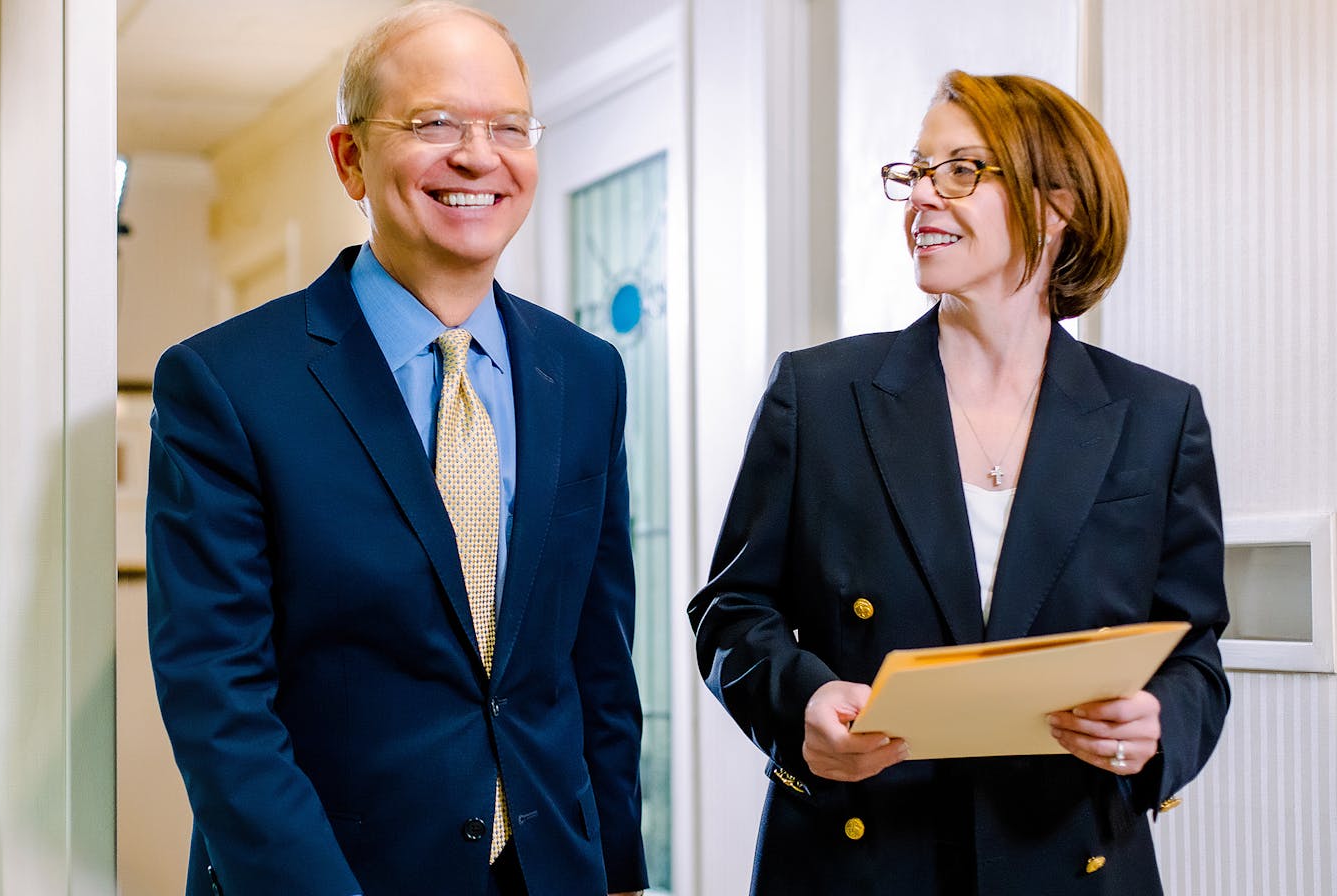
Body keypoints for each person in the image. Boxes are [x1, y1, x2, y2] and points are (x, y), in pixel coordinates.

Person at [145, 4, 648, 895]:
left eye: (508, 128)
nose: (478, 156)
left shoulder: (588, 374)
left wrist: (615, 871)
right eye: (435, 124)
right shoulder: (226, 385)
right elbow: (220, 705)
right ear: (350, 158)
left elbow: (597, 663)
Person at [688, 70, 1229, 895]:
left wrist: (1160, 723)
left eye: (962, 171)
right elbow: (731, 613)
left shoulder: (1158, 417)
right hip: (857, 855)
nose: (923, 198)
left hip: (1070, 858)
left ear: (1059, 206)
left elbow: (1193, 650)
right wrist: (800, 703)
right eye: (915, 172)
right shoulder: (820, 394)